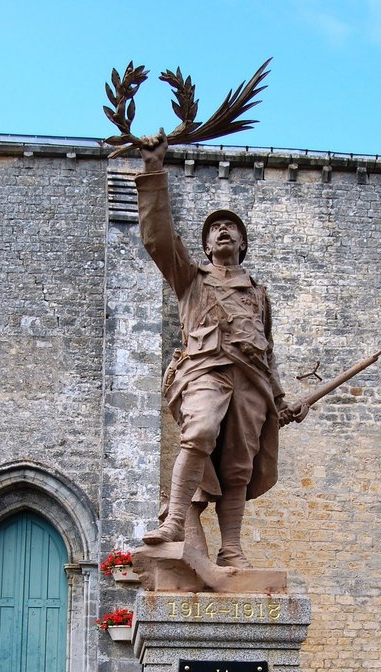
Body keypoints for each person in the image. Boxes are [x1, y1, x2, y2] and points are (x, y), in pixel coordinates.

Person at [136, 130, 306, 568]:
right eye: (215, 229)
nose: (223, 231)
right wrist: (154, 169)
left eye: (231, 227)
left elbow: (265, 353)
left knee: (238, 466)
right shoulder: (190, 279)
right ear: (207, 245)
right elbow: (157, 237)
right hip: (206, 370)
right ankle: (175, 521)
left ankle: (232, 547)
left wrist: (284, 400)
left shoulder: (258, 294)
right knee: (199, 432)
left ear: (243, 244)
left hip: (251, 382)